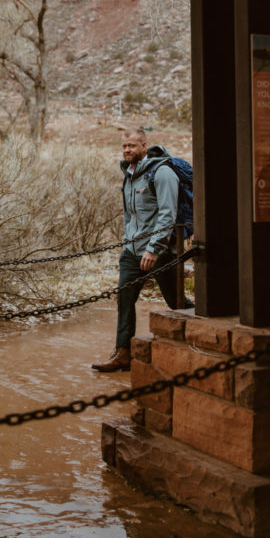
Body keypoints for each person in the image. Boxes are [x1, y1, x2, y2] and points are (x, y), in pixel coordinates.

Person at [92, 127, 194, 373]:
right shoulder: (129, 175)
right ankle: (123, 353)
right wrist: (128, 243)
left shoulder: (162, 173)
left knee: (175, 300)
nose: (127, 150)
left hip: (159, 251)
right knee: (124, 298)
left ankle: (203, 335)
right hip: (131, 251)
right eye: (124, 146)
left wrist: (153, 249)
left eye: (132, 146)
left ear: (144, 147)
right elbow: (130, 216)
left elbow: (167, 215)